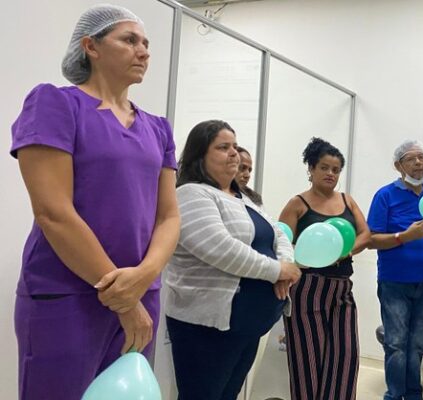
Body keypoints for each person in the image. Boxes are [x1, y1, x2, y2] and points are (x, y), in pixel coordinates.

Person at [10, 5, 180, 398]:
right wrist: (123, 299)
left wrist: (144, 277)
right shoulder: (55, 104)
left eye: (146, 43)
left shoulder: (158, 128)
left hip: (142, 293)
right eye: (130, 40)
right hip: (67, 296)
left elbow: (169, 216)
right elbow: (54, 212)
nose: (144, 51)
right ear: (91, 46)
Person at [164, 120, 301, 400]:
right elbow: (222, 249)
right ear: (200, 154)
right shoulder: (190, 193)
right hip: (208, 325)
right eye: (223, 147)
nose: (233, 154)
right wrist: (277, 271)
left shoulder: (245, 198)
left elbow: (279, 235)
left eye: (235, 147)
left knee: (228, 395)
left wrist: (286, 268)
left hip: (248, 324)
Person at [278, 137, 371, 400]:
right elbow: (282, 243)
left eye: (336, 169)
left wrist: (345, 251)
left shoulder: (347, 201)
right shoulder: (297, 203)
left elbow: (365, 234)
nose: (331, 173)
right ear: (311, 169)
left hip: (342, 288)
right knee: (308, 359)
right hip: (307, 287)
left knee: (346, 356)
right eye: (324, 167)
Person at [367, 139, 423, 400]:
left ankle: (414, 394)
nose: (418, 163)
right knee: (396, 343)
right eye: (411, 159)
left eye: (422, 158)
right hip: (395, 282)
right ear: (398, 165)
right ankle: (394, 395)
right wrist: (404, 236)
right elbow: (371, 239)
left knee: (417, 345)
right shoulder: (385, 195)